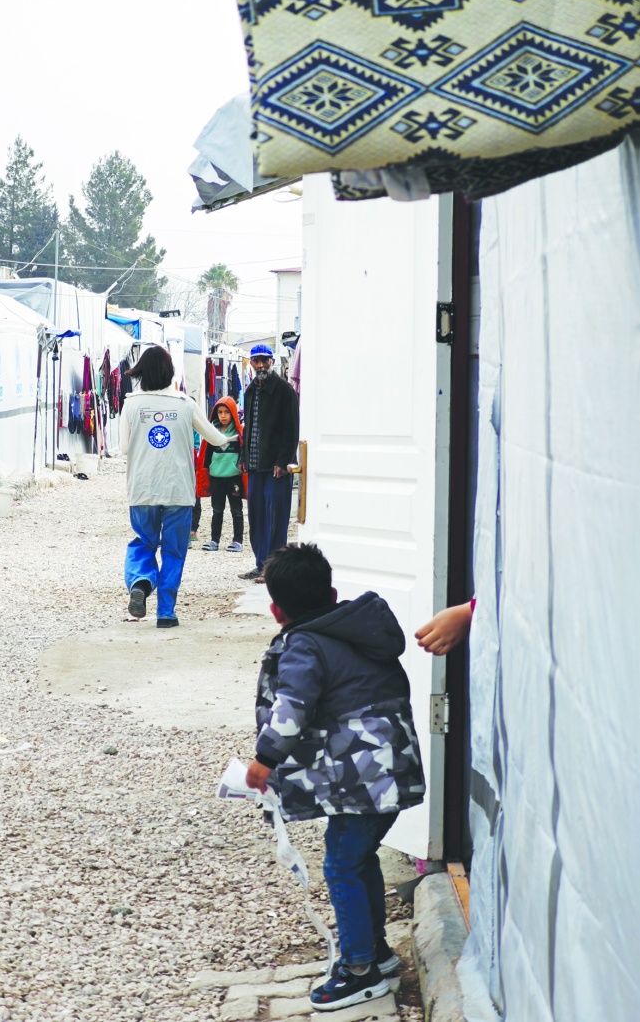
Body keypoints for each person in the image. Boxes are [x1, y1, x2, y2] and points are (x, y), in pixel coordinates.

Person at [245, 544, 425, 1012]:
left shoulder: (304, 644)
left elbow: (292, 709)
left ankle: (359, 970)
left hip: (366, 780)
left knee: (342, 864)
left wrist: (264, 760)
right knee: (359, 857)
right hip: (391, 771)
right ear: (332, 592)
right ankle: (377, 953)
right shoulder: (359, 632)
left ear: (275, 610)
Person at [119, 345, 230, 628]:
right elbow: (215, 438)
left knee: (144, 542)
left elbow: (122, 448)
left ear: (140, 373)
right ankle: (166, 613)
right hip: (178, 491)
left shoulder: (131, 404)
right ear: (171, 373)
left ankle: (141, 583)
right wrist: (229, 441)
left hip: (142, 489)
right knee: (174, 551)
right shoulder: (185, 404)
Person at [239, 344, 299, 582]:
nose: (261, 365)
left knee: (276, 517)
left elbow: (291, 428)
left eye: (265, 360)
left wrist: (283, 460)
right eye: (256, 361)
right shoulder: (250, 390)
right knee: (256, 516)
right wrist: (243, 457)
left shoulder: (284, 390)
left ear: (271, 361)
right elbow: (248, 429)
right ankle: (261, 563)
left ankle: (274, 568)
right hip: (255, 464)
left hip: (276, 467)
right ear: (251, 363)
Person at [195, 396, 245, 552]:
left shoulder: (239, 434)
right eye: (220, 412)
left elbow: (244, 454)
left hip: (234, 478)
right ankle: (214, 540)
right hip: (217, 477)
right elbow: (205, 456)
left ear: (233, 414)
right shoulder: (212, 433)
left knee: (236, 510)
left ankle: (238, 541)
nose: (223, 416)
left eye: (227, 412)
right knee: (217, 510)